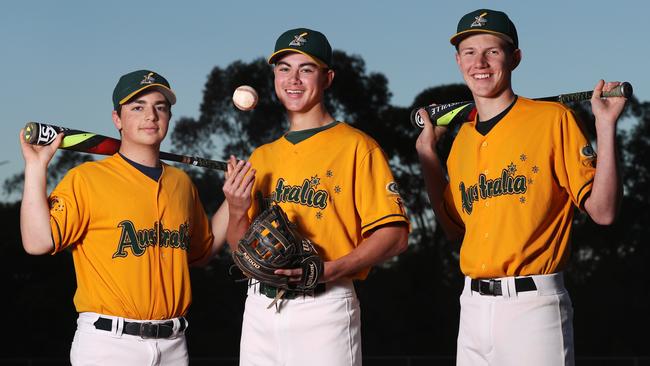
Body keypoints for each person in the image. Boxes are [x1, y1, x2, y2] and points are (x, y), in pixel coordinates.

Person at [415, 9, 627, 366]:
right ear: (457, 60)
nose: (479, 62)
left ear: (515, 58)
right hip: (471, 307)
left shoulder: (551, 120)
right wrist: (426, 154)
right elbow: (453, 229)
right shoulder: (462, 140)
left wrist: (605, 127)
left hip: (533, 307)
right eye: (469, 52)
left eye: (492, 51)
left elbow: (603, 212)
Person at [217, 28, 410, 366]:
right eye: (283, 68)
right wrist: (235, 211)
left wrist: (331, 270)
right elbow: (242, 253)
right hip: (260, 308)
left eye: (306, 69)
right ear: (274, 77)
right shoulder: (261, 156)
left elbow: (395, 236)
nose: (293, 79)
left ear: (327, 77)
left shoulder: (356, 147)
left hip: (325, 305)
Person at [19, 69, 226, 366]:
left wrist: (235, 200)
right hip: (109, 344)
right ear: (117, 119)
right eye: (137, 107)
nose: (151, 116)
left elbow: (202, 253)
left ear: (168, 117)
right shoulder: (87, 179)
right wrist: (36, 167)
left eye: (160, 107)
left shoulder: (182, 184)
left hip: (174, 345)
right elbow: (37, 242)